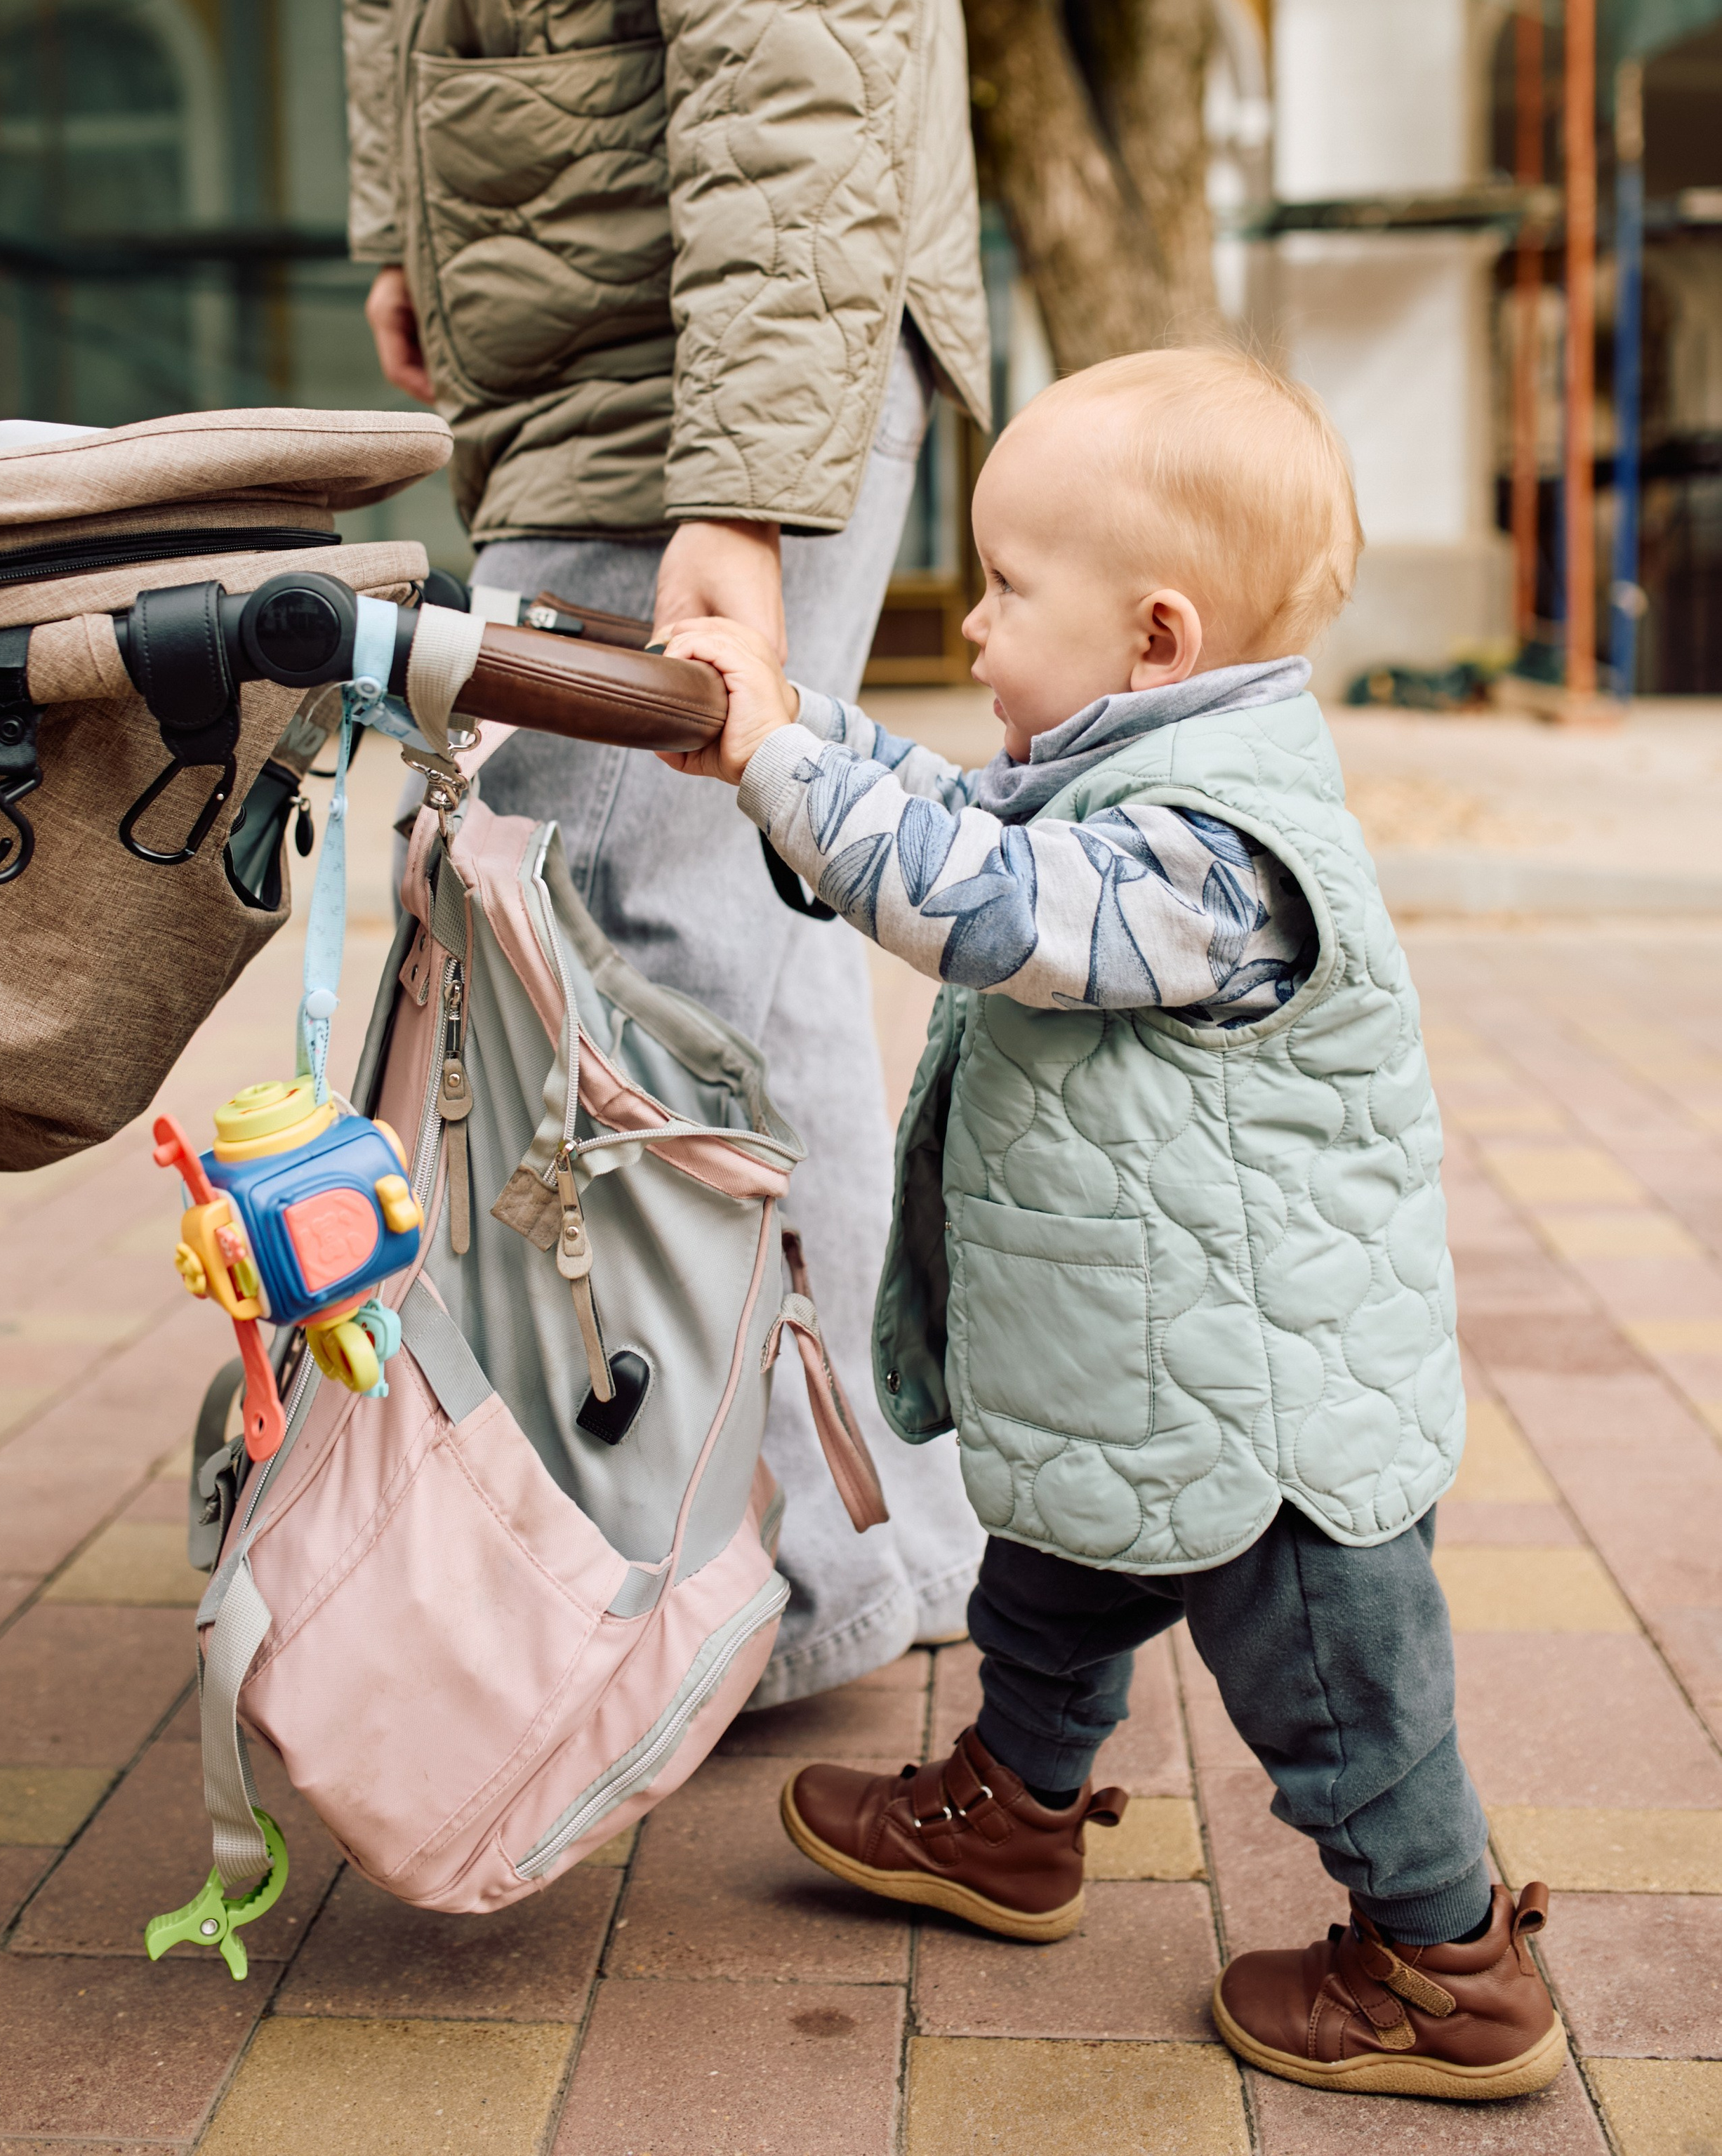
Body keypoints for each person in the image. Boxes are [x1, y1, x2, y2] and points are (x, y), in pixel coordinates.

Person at [661, 347, 1567, 2103]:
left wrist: (779, 758)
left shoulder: (1217, 853)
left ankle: (1447, 1963)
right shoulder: (1117, 772)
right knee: (1054, 1587)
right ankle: (1012, 1814)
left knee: (1338, 1705)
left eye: (1004, 589)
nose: (976, 627)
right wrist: (781, 722)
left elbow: (987, 905)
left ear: (1155, 635)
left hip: (1266, 1416)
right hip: (1150, 1383)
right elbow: (953, 814)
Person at [340, 0, 990, 1699]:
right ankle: (845, 1532)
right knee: (674, 929)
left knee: (666, 922)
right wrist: (393, 215)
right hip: (563, 314)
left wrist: (746, 488)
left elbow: (804, 8)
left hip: (744, 337)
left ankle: (826, 1575)